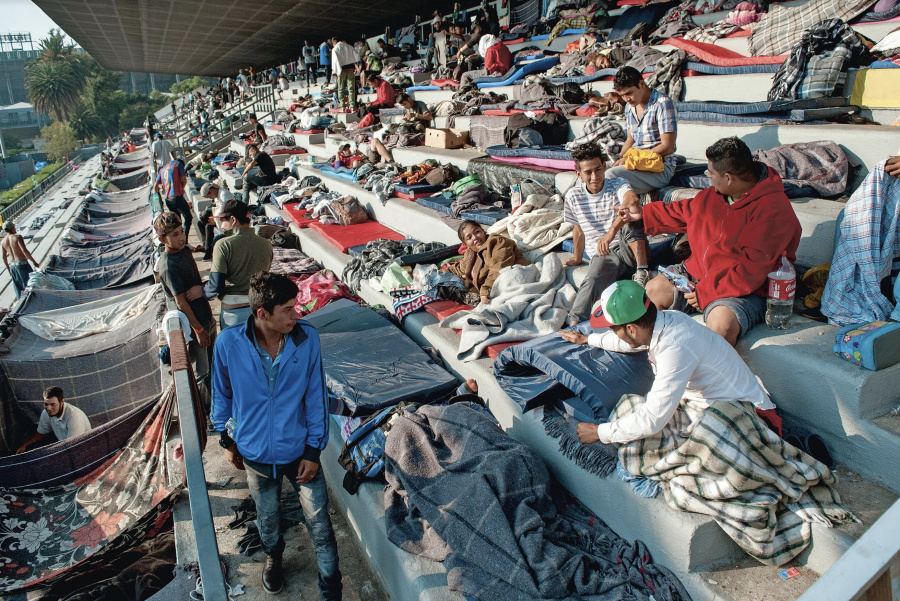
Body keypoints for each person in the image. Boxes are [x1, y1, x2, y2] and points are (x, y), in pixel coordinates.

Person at [212, 272, 342, 597]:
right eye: (287, 309)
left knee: (320, 524)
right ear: (262, 314)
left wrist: (314, 452)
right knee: (267, 519)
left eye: (295, 307)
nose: (296, 315)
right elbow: (221, 394)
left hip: (300, 454)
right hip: (255, 458)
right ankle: (274, 556)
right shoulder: (229, 344)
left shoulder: (306, 339)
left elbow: (315, 397)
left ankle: (330, 583)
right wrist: (227, 439)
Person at [618, 137, 801, 346]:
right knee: (651, 293)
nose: (708, 178)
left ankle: (704, 377)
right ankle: (648, 360)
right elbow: (685, 211)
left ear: (729, 178)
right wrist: (642, 214)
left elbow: (751, 272)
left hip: (740, 290)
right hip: (696, 275)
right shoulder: (715, 194)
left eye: (711, 174)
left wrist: (706, 292)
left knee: (721, 326)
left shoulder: (773, 212)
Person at [561, 280, 776, 446]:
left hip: (747, 415)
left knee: (635, 437)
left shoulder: (674, 347)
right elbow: (630, 343)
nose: (610, 332)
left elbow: (653, 419)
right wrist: (588, 339)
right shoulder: (667, 320)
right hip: (714, 401)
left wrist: (600, 433)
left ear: (631, 328)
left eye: (611, 328)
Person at [563, 143, 651, 326]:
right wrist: (577, 258)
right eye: (588, 172)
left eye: (598, 170)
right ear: (578, 173)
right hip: (604, 255)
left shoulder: (617, 184)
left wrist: (612, 231)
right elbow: (578, 229)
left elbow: (632, 201)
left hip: (629, 250)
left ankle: (643, 271)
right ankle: (575, 322)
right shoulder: (573, 196)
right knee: (592, 278)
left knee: (633, 216)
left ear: (604, 167)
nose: (594, 177)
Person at [155, 212, 215, 411]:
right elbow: (181, 302)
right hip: (194, 324)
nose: (181, 238)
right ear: (163, 239)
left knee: (213, 363)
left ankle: (216, 403)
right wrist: (198, 330)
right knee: (202, 371)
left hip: (205, 316)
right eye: (174, 235)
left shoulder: (185, 251)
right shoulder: (167, 266)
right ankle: (207, 413)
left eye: (182, 232)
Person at [607, 66, 678, 194]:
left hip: (658, 167)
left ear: (641, 84)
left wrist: (632, 160)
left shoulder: (662, 104)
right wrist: (620, 158)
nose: (626, 99)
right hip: (635, 163)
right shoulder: (630, 107)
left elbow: (668, 147)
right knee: (594, 171)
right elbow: (630, 139)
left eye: (629, 93)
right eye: (622, 95)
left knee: (611, 176)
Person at [203, 200, 273, 328]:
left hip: (233, 313)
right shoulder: (266, 244)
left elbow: (216, 285)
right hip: (260, 312)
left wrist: (201, 292)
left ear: (233, 220)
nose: (222, 226)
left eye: (223, 220)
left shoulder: (223, 244)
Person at [446, 220, 529, 305]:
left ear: (483, 231)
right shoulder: (470, 253)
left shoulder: (498, 242)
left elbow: (499, 266)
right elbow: (460, 268)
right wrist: (442, 271)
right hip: (490, 291)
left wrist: (486, 289)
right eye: (469, 237)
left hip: (516, 282)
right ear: (466, 244)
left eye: (477, 232)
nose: (475, 237)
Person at [15, 386, 91, 453]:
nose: (49, 408)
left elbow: (72, 447)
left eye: (52, 404)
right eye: (46, 404)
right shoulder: (46, 413)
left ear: (62, 402)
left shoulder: (74, 417)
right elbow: (41, 434)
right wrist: (25, 445)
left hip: (81, 449)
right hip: (65, 446)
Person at [154, 159, 195, 241]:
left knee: (177, 221)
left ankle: (178, 240)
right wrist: (181, 189)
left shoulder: (163, 169)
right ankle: (185, 239)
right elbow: (184, 180)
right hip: (177, 197)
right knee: (188, 217)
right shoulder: (178, 164)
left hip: (168, 199)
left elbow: (155, 186)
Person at [198, 181, 235, 260]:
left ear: (211, 191)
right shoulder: (217, 195)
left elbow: (227, 210)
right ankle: (206, 247)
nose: (210, 198)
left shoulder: (223, 194)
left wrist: (214, 217)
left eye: (209, 196)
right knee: (201, 223)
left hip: (227, 219)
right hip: (219, 217)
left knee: (209, 226)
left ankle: (209, 251)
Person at [1, 221, 38, 299]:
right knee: (30, 286)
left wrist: (8, 269)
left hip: (12, 266)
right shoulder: (17, 237)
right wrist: (34, 262)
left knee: (19, 290)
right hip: (22, 264)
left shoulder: (3, 241)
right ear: (12, 228)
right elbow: (24, 251)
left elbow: (4, 257)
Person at [332, 37, 361, 111]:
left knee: (341, 89)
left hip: (341, 70)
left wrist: (336, 72)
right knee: (351, 89)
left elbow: (335, 61)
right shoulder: (349, 46)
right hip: (351, 69)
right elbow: (357, 55)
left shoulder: (335, 49)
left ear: (334, 43)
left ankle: (342, 106)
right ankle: (352, 106)